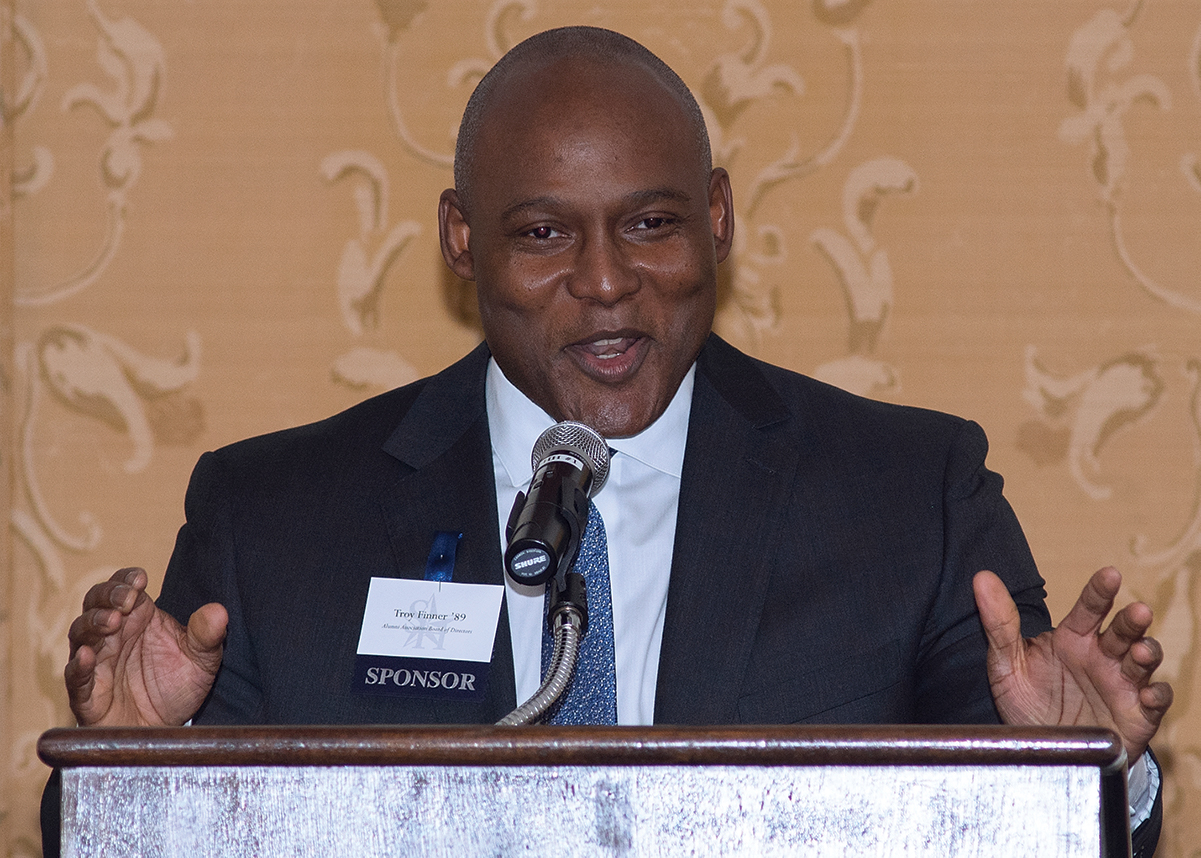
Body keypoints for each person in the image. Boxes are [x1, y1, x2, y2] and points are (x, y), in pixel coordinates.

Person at [52, 25, 1171, 855]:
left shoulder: (907, 496)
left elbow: (1029, 828)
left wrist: (1089, 769)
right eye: (542, 233)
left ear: (718, 217)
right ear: (460, 240)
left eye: (650, 223)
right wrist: (130, 768)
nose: (603, 282)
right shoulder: (275, 518)